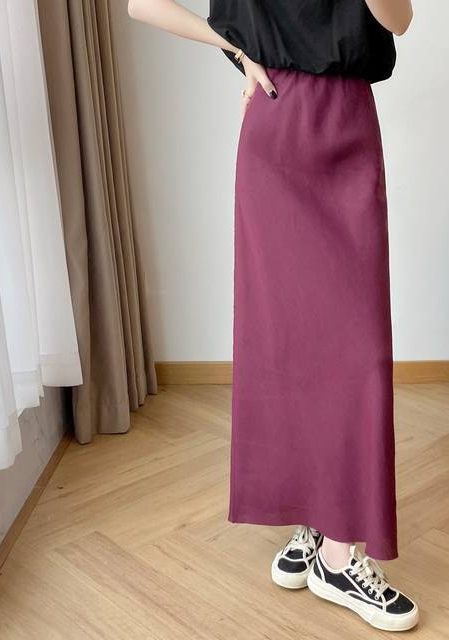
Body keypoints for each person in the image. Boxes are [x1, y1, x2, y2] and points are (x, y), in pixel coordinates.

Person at [127, 0, 417, 632]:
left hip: (345, 126)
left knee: (354, 347)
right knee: (287, 338)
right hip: (278, 123)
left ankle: (324, 530)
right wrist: (235, 48)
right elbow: (139, 4)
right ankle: (331, 548)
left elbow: (399, 21)